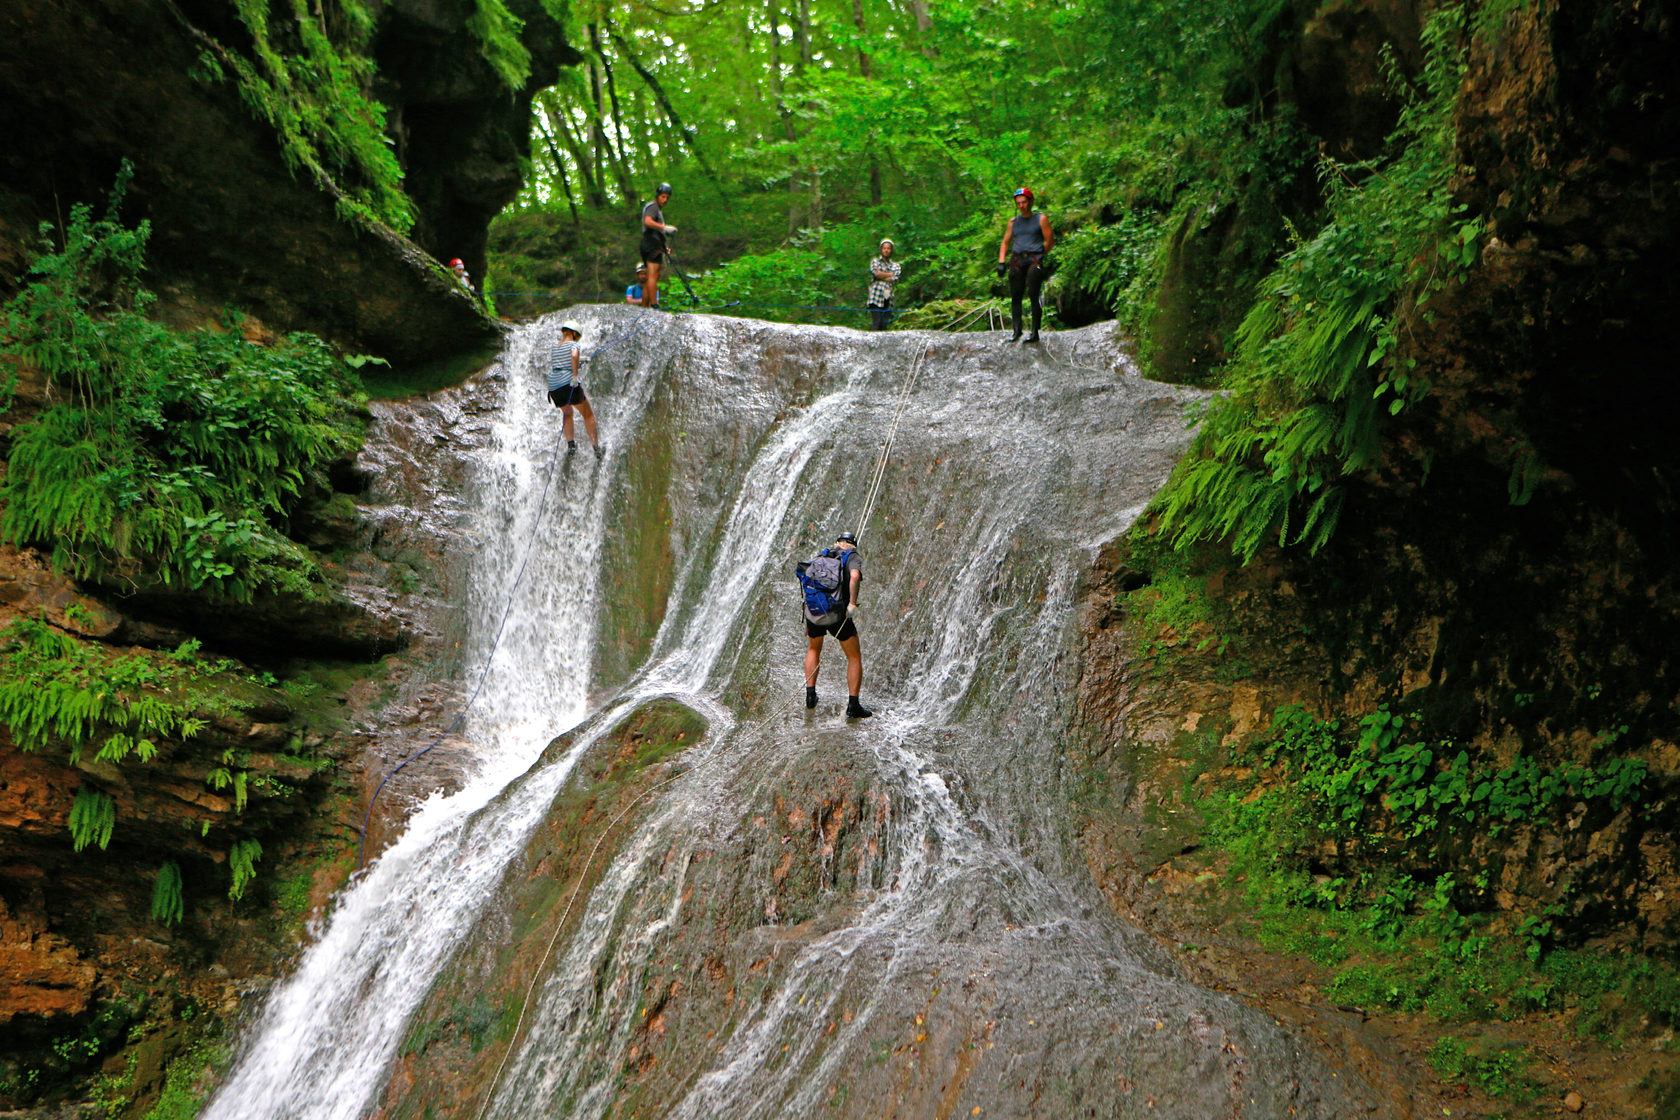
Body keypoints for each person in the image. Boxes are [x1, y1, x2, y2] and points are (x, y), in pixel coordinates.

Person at [800, 532, 871, 719]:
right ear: (853, 545)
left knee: (814, 649)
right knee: (854, 657)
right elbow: (854, 577)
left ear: (838, 543)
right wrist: (853, 603)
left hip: (815, 611)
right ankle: (853, 705)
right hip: (837, 615)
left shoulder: (824, 555)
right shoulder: (852, 557)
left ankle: (810, 695)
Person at [995, 187, 1053, 343]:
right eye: (1018, 203)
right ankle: (1016, 331)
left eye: (1024, 202)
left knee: (1034, 294)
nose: (1021, 205)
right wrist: (1001, 261)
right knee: (1016, 295)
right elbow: (1005, 242)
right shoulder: (1013, 222)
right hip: (1017, 259)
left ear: (1031, 202)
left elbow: (1049, 240)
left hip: (1034, 259)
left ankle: (1034, 332)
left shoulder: (1041, 219)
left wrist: (1041, 254)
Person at [549, 319, 603, 459]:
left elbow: (564, 360)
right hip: (568, 382)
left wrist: (581, 359)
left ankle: (571, 446)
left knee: (567, 413)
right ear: (574, 333)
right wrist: (575, 375)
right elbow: (573, 355)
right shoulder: (574, 345)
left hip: (554, 385)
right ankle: (596, 447)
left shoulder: (555, 346)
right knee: (588, 414)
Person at [640, 183, 676, 309]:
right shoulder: (653, 207)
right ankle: (654, 304)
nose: (665, 200)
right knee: (653, 275)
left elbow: (656, 231)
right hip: (651, 243)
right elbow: (647, 221)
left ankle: (645, 306)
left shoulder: (656, 209)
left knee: (651, 276)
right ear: (658, 196)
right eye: (663, 197)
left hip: (652, 243)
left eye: (667, 198)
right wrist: (665, 227)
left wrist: (664, 246)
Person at [866, 239, 901, 331]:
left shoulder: (896, 265)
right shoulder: (875, 261)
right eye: (884, 248)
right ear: (881, 250)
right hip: (876, 294)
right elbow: (876, 273)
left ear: (891, 250)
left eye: (888, 248)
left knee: (884, 322)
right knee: (877, 321)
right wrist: (889, 274)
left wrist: (882, 275)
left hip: (888, 294)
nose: (886, 250)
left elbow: (895, 277)